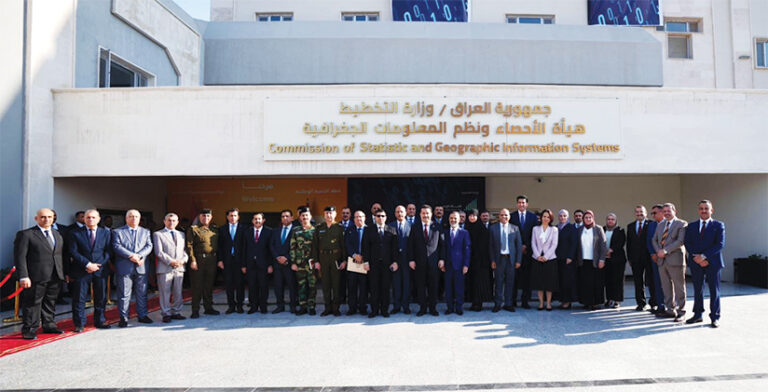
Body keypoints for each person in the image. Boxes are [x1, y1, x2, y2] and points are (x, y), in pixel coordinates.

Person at [13, 208, 66, 340]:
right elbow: (20, 257)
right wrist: (23, 276)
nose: (46, 219)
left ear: (53, 218)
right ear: (36, 218)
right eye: (43, 217)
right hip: (35, 276)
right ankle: (29, 329)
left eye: (49, 217)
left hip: (55, 275)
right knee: (32, 303)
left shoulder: (57, 234)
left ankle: (49, 325)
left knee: (50, 302)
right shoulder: (26, 234)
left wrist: (64, 273)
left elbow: (60, 255)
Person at [68, 209, 112, 332]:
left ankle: (100, 320)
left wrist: (98, 265)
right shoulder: (75, 233)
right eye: (88, 217)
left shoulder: (106, 233)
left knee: (101, 297)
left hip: (100, 270)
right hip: (82, 270)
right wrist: (87, 264)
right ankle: (79, 323)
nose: (90, 220)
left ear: (98, 219)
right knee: (79, 298)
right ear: (84, 219)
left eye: (93, 217)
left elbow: (108, 251)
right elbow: (73, 251)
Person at [685, 200, 725, 328]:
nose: (703, 210)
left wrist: (704, 257)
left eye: (706, 208)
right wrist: (697, 258)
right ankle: (697, 315)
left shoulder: (718, 225)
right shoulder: (691, 226)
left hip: (713, 262)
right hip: (696, 262)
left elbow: (719, 244)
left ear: (711, 210)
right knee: (698, 290)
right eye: (701, 208)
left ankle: (715, 317)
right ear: (698, 210)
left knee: (714, 290)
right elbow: (688, 243)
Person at [112, 209, 154, 327]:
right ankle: (124, 317)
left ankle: (142, 315)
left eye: (136, 216)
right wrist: (131, 256)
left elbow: (149, 245)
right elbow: (116, 246)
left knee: (142, 292)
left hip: (141, 266)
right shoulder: (118, 231)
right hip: (125, 267)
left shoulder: (145, 232)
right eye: (131, 216)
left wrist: (139, 256)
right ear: (126, 218)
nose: (134, 218)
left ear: (140, 219)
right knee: (124, 294)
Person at [652, 203, 688, 321]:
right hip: (662, 261)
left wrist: (665, 250)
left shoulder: (682, 224)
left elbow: (680, 241)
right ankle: (670, 310)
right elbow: (654, 239)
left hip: (675, 260)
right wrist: (659, 251)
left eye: (669, 211)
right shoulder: (660, 225)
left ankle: (681, 311)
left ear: (674, 211)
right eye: (664, 211)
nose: (666, 213)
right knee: (666, 286)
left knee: (679, 287)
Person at [407, 204, 444, 316]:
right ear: (420, 214)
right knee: (420, 286)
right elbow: (410, 245)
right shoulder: (415, 227)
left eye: (427, 213)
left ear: (431, 214)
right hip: (419, 262)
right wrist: (411, 260)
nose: (425, 215)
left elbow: (442, 245)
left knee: (433, 286)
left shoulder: (437, 226)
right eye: (423, 213)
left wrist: (442, 258)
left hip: (434, 262)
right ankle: (422, 308)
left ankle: (433, 308)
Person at [152, 213, 188, 323]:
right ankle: (166, 313)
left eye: (174, 220)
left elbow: (184, 250)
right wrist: (171, 261)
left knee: (178, 291)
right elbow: (159, 252)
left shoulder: (182, 234)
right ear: (164, 221)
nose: (171, 222)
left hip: (179, 267)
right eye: (169, 220)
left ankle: (176, 312)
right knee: (165, 292)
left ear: (177, 222)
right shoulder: (158, 234)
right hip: (165, 267)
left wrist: (183, 260)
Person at [363, 208, 398, 318]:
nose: (381, 218)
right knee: (374, 288)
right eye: (378, 216)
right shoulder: (369, 230)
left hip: (387, 265)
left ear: (386, 217)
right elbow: (365, 247)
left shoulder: (392, 230)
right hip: (373, 264)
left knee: (385, 288)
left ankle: (384, 310)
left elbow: (395, 249)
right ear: (375, 217)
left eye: (383, 216)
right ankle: (374, 310)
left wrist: (395, 262)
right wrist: (366, 262)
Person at [312, 206, 346, 316]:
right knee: (325, 284)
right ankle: (327, 307)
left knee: (336, 284)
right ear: (324, 215)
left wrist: (344, 260)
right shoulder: (319, 228)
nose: (329, 215)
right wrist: (316, 261)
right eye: (326, 213)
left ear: (335, 214)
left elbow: (343, 246)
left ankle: (336, 308)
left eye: (331, 213)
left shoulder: (340, 228)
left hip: (335, 258)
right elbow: (315, 246)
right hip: (323, 258)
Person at [186, 208, 219, 318]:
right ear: (200, 217)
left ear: (211, 217)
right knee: (197, 286)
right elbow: (189, 246)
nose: (206, 218)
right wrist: (193, 260)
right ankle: (195, 310)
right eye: (203, 216)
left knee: (209, 285)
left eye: (208, 216)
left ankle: (208, 308)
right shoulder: (194, 229)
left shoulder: (214, 229)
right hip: (199, 260)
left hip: (212, 260)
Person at [489, 208, 523, 313]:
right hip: (499, 259)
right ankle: (498, 304)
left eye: (506, 215)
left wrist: (518, 261)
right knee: (498, 282)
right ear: (499, 216)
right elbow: (490, 246)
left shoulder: (515, 228)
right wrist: (492, 260)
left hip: (511, 260)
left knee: (510, 282)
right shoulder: (493, 228)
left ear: (509, 216)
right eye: (502, 215)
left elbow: (519, 246)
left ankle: (508, 304)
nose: (504, 217)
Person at [576, 210, 608, 310]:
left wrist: (602, 259)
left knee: (596, 283)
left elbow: (603, 245)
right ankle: (586, 302)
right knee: (585, 283)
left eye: (590, 217)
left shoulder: (598, 229)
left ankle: (595, 303)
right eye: (586, 217)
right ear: (583, 219)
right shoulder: (580, 229)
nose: (588, 219)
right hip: (583, 261)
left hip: (595, 261)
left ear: (593, 218)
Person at [626, 205, 656, 311]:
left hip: (649, 257)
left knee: (651, 280)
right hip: (635, 259)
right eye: (637, 212)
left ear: (646, 213)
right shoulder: (630, 226)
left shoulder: (652, 224)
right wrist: (629, 258)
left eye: (641, 212)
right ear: (635, 214)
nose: (639, 214)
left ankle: (654, 303)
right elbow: (628, 243)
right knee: (638, 282)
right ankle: (641, 303)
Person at [241, 213, 273, 314]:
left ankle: (263, 306)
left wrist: (270, 264)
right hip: (250, 264)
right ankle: (253, 307)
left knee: (264, 286)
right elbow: (243, 249)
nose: (257, 221)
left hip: (264, 264)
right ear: (252, 221)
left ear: (263, 220)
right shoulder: (247, 232)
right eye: (255, 219)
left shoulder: (269, 232)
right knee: (252, 286)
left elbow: (271, 249)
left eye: (259, 219)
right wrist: (243, 265)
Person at [441, 211, 471, 315]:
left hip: (460, 265)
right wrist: (443, 262)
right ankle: (449, 308)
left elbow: (467, 249)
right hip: (448, 265)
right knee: (448, 287)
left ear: (459, 220)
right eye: (451, 218)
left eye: (455, 218)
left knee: (459, 287)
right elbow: (442, 248)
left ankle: (459, 307)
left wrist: (466, 265)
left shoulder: (464, 233)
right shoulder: (444, 232)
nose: (453, 220)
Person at [510, 195, 538, 308]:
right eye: (519, 202)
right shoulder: (512, 216)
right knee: (514, 278)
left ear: (527, 204)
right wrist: (519, 245)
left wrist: (526, 245)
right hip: (515, 252)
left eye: (523, 202)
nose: (521, 204)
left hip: (528, 252)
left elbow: (534, 234)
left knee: (527, 278)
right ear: (517, 204)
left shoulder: (533, 217)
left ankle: (525, 301)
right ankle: (513, 301)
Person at [218, 208, 247, 314]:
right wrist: (220, 260)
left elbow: (246, 247)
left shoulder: (244, 229)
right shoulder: (222, 229)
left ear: (238, 217)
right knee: (229, 284)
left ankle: (240, 305)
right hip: (227, 261)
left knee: (240, 284)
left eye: (235, 215)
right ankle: (231, 306)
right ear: (227, 217)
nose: (233, 217)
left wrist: (244, 263)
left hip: (240, 261)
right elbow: (220, 246)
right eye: (231, 215)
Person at [290, 207, 317, 315]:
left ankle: (311, 306)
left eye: (306, 215)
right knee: (301, 285)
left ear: (310, 217)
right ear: (299, 217)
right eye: (302, 216)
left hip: (312, 263)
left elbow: (317, 248)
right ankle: (303, 306)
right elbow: (292, 247)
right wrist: (293, 262)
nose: (305, 217)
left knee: (312, 285)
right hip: (300, 263)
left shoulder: (315, 230)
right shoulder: (296, 230)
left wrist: (317, 262)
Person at [270, 209, 298, 314]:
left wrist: (286, 257)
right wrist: (277, 257)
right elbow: (271, 245)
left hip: (289, 263)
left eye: (287, 216)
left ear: (292, 218)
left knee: (292, 285)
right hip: (277, 263)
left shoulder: (296, 230)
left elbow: (296, 247)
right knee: (278, 285)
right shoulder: (275, 231)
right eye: (283, 216)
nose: (285, 218)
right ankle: (280, 306)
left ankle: (293, 306)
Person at [531, 209, 559, 311]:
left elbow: (554, 244)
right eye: (544, 216)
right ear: (541, 217)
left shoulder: (554, 230)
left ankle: (548, 303)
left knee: (549, 283)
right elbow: (533, 243)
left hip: (550, 259)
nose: (545, 218)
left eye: (548, 217)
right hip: (537, 258)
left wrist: (546, 256)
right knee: (539, 282)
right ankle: (541, 303)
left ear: (550, 218)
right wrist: (538, 256)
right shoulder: (535, 229)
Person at [466, 209, 491, 311]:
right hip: (469, 261)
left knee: (479, 283)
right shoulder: (466, 228)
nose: (472, 217)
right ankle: (472, 303)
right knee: (471, 282)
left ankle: (478, 304)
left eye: (474, 215)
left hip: (481, 262)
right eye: (470, 216)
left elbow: (486, 246)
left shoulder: (482, 229)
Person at [389, 205, 412, 314]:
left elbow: (413, 245)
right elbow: (388, 245)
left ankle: (406, 306)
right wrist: (393, 260)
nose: (399, 214)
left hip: (407, 260)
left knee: (406, 284)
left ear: (406, 213)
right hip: (395, 260)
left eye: (401, 212)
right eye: (397, 212)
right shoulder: (389, 226)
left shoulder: (411, 226)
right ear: (395, 213)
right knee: (396, 284)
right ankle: (396, 306)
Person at [345, 210, 368, 316]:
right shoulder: (349, 230)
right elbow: (347, 244)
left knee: (364, 286)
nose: (359, 219)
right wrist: (354, 255)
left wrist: (364, 256)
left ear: (365, 218)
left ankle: (363, 307)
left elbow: (371, 245)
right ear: (353, 219)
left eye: (360, 217)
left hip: (364, 262)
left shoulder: (369, 230)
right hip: (353, 262)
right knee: (352, 286)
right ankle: (352, 308)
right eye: (356, 217)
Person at [555, 209, 578, 310]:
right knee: (560, 280)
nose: (562, 217)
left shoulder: (571, 228)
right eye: (560, 216)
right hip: (557, 258)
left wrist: (570, 256)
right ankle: (562, 300)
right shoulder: (556, 228)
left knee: (567, 281)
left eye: (564, 216)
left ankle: (567, 302)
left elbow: (574, 244)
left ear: (567, 217)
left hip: (568, 259)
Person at [646, 204, 666, 314]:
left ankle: (671, 306)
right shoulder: (652, 225)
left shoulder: (669, 224)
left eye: (655, 213)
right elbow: (649, 240)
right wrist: (653, 253)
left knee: (668, 283)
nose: (653, 215)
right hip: (655, 258)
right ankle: (660, 305)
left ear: (662, 212)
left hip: (668, 258)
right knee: (657, 282)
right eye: (652, 213)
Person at [604, 213, 627, 308]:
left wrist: (611, 250)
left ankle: (617, 300)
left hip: (618, 259)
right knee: (607, 280)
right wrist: (605, 251)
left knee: (618, 280)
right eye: (608, 219)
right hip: (606, 259)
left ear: (615, 221)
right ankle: (609, 299)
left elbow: (621, 242)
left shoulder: (620, 230)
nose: (610, 221)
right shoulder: (603, 229)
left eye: (612, 219)